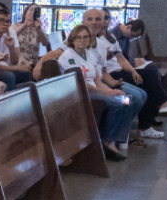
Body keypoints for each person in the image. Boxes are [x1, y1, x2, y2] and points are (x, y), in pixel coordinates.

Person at [88, 9, 167, 138]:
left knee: (145, 86)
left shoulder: (109, 38)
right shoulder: (86, 39)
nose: (102, 22)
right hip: (98, 83)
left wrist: (132, 72)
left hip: (109, 77)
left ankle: (132, 128)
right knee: (133, 96)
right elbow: (97, 73)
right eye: (94, 19)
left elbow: (119, 59)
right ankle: (116, 134)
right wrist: (110, 89)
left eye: (105, 18)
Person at [57, 25, 142, 161]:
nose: (82, 40)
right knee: (118, 104)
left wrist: (112, 91)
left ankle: (114, 137)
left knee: (125, 99)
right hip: (79, 94)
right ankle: (108, 141)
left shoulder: (89, 55)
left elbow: (97, 79)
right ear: (72, 39)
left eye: (85, 37)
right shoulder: (67, 57)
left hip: (94, 90)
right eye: (78, 37)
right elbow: (78, 83)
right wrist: (106, 94)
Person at [0, 7, 33, 90]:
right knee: (8, 76)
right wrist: (18, 68)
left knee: (26, 74)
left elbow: (14, 62)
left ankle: (23, 101)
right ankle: (8, 102)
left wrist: (11, 48)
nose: (5, 24)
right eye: (1, 21)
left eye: (7, 21)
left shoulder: (11, 33)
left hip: (6, 67)